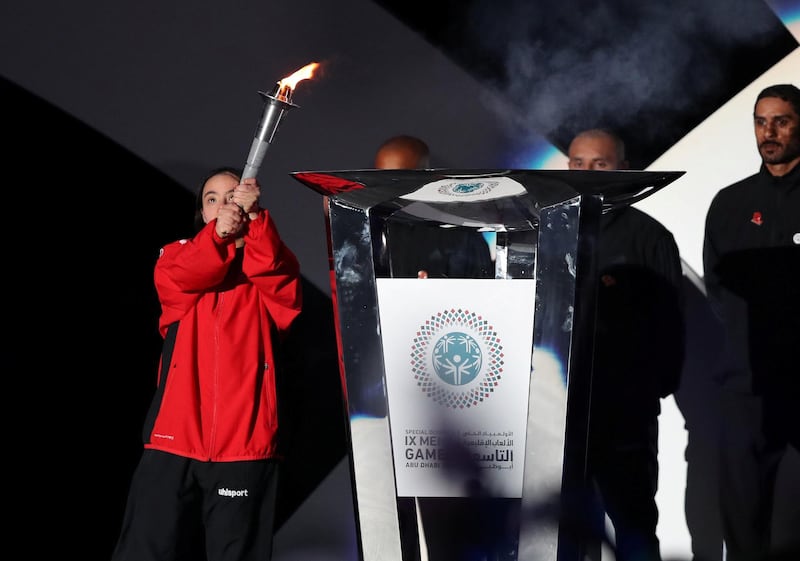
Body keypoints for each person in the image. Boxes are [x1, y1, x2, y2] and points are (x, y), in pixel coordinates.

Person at [111, 167, 303, 561]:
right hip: (174, 437)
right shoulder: (174, 259)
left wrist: (256, 221)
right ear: (202, 212)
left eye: (232, 195)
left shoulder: (264, 274)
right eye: (211, 198)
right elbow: (190, 272)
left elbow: (279, 278)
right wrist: (217, 238)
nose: (221, 204)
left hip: (245, 443)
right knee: (143, 551)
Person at [567, 128, 686, 561]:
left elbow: (671, 324)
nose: (587, 173)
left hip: (624, 411)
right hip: (558, 409)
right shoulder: (550, 228)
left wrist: (649, 387)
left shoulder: (648, 236)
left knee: (633, 524)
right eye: (578, 163)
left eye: (599, 163)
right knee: (568, 530)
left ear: (623, 167)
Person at [703, 83, 800, 561]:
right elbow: (719, 291)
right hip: (747, 383)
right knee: (743, 518)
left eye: (781, 121)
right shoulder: (731, 203)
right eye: (761, 122)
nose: (769, 132)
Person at [374, 134, 495, 279]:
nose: (388, 190)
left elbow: (483, 288)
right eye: (380, 179)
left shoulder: (461, 230)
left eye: (398, 180)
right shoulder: (372, 230)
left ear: (428, 176)